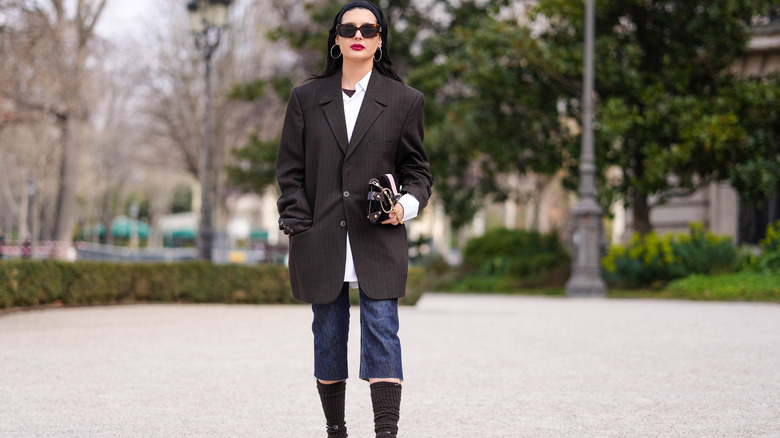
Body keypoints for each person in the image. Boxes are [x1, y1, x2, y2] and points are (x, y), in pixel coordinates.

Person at [275, 2, 433, 437]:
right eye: (348, 28)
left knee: (383, 331)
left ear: (380, 39)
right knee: (327, 335)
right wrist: (298, 222)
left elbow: (418, 172)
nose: (358, 34)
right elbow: (289, 172)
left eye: (368, 28)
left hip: (378, 236)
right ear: (337, 38)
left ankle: (386, 432)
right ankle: (336, 429)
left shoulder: (405, 101)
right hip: (320, 238)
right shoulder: (306, 98)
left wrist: (404, 206)